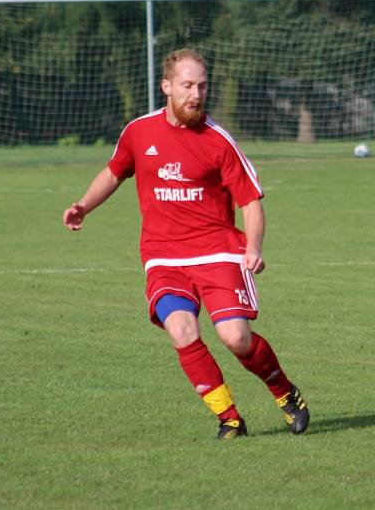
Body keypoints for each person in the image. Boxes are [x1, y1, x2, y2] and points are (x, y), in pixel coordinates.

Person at [62, 48, 309, 440]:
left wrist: (255, 247)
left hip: (219, 252)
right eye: (187, 85)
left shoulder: (218, 140)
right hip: (164, 256)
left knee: (236, 338)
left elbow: (250, 200)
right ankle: (229, 419)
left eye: (202, 85)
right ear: (166, 86)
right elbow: (114, 172)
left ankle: (284, 392)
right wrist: (84, 206)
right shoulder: (139, 132)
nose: (196, 94)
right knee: (181, 329)